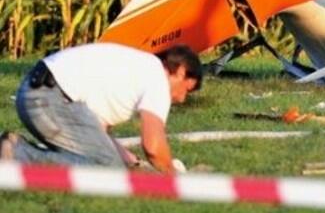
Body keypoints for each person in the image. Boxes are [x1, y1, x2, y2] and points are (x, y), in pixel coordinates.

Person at [0, 43, 201, 173]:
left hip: (34, 93)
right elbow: (153, 146)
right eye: (187, 90)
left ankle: (15, 149)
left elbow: (98, 135)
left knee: (108, 162)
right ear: (180, 71)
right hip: (49, 100)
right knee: (106, 171)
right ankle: (17, 154)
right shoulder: (158, 80)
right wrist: (174, 179)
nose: (182, 98)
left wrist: (132, 162)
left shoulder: (141, 67)